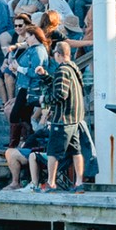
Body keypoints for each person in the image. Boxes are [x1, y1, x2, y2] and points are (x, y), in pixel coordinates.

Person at [36, 41, 86, 193]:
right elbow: (59, 85)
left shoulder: (62, 70)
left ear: (58, 54)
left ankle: (51, 183)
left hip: (63, 119)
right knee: (76, 151)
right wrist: (44, 76)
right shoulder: (73, 68)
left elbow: (60, 94)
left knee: (53, 152)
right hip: (76, 118)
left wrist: (44, 99)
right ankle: (79, 183)